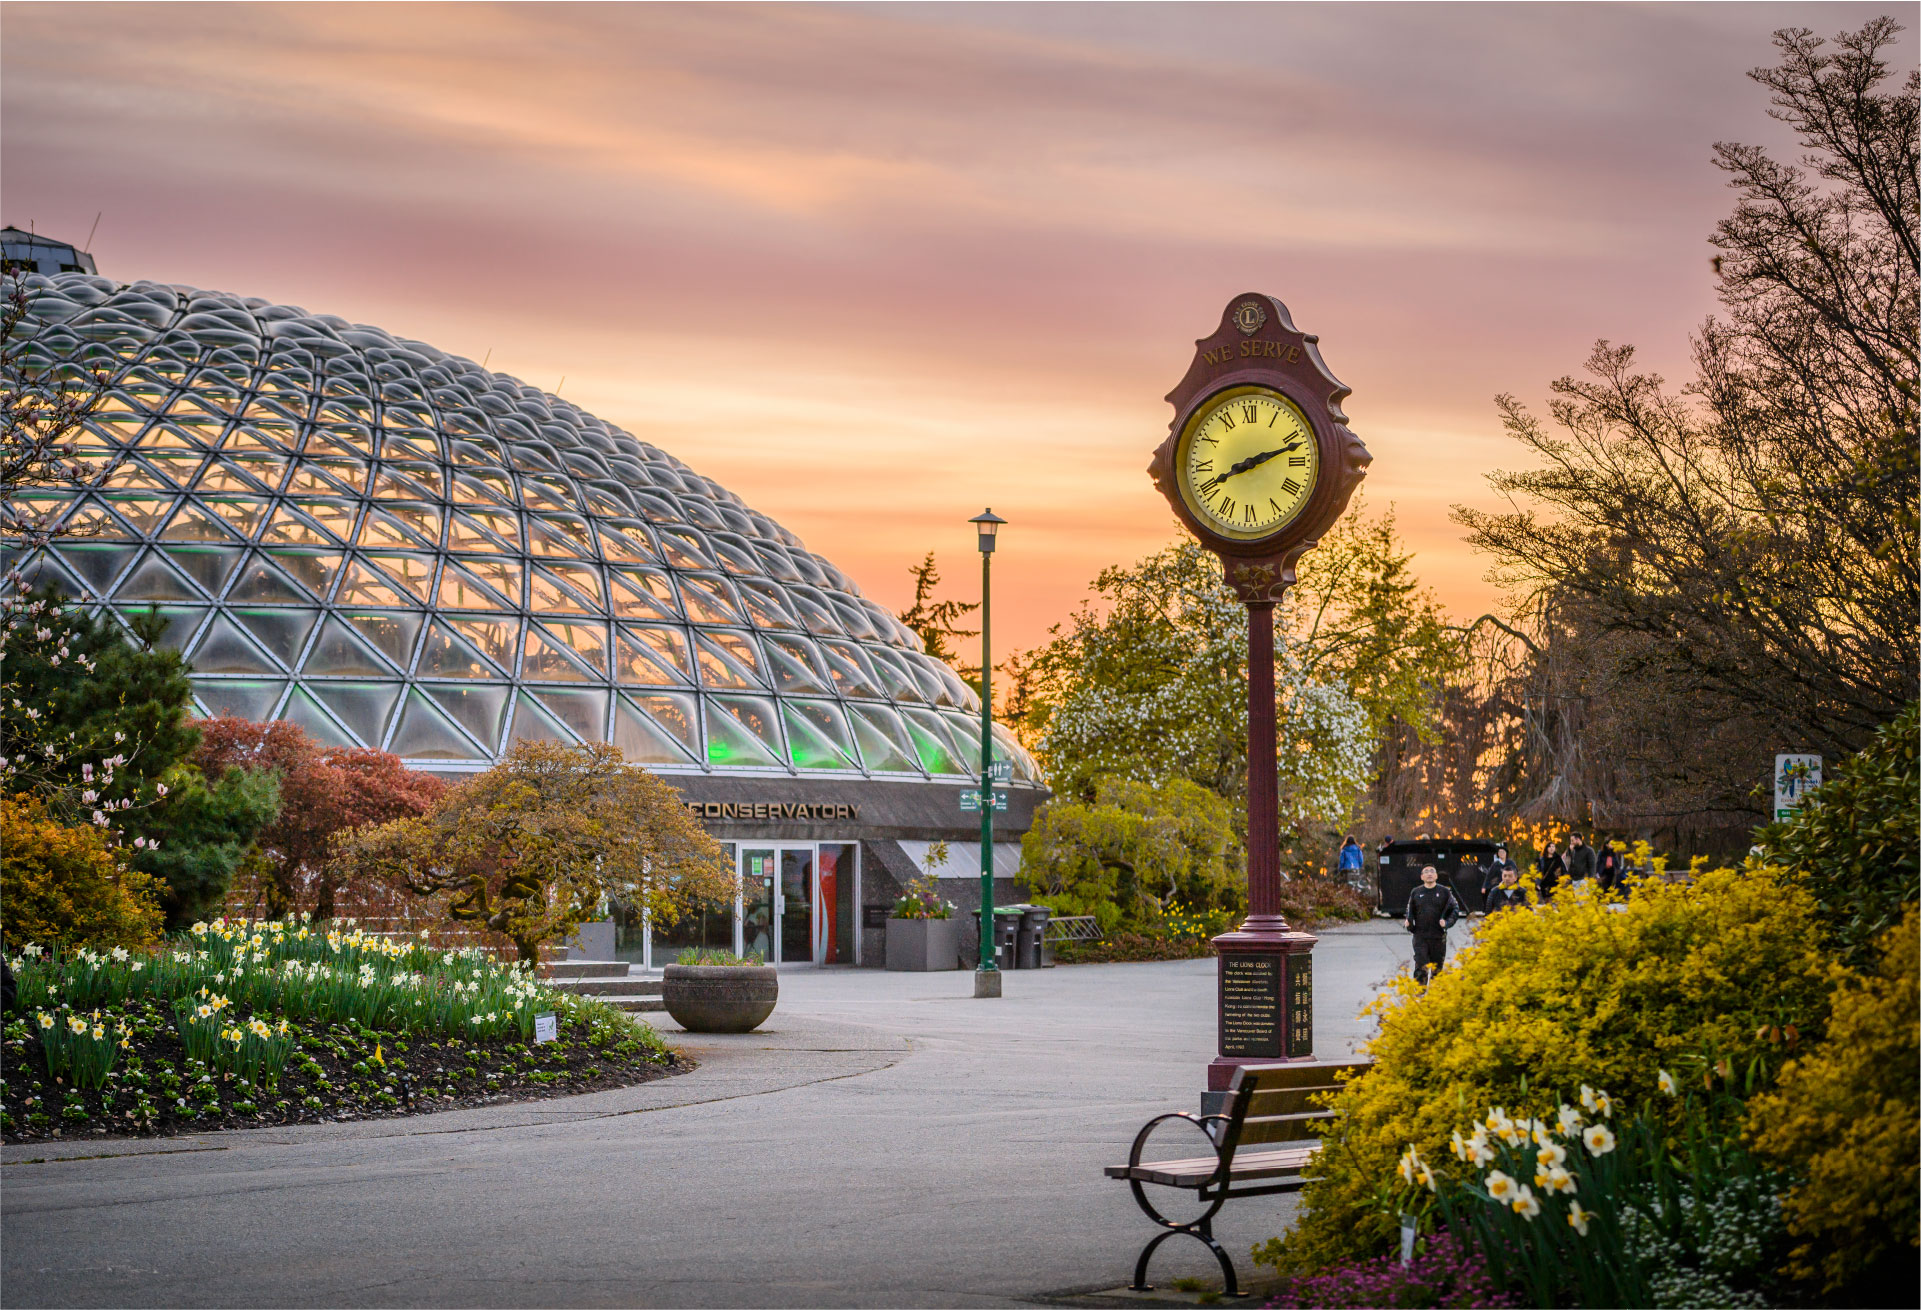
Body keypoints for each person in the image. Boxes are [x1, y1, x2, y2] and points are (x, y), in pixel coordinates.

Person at [1403, 864, 1462, 987]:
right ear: (1421, 876)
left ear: (1436, 876)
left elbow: (1455, 909)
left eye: (1432, 871)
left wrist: (1447, 923)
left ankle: (1435, 997)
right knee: (1421, 967)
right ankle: (1420, 996)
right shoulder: (1416, 892)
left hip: (1438, 937)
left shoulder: (1445, 892)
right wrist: (1408, 923)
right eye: (1426, 872)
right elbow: (1410, 910)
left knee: (1437, 969)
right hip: (1420, 937)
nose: (1429, 873)